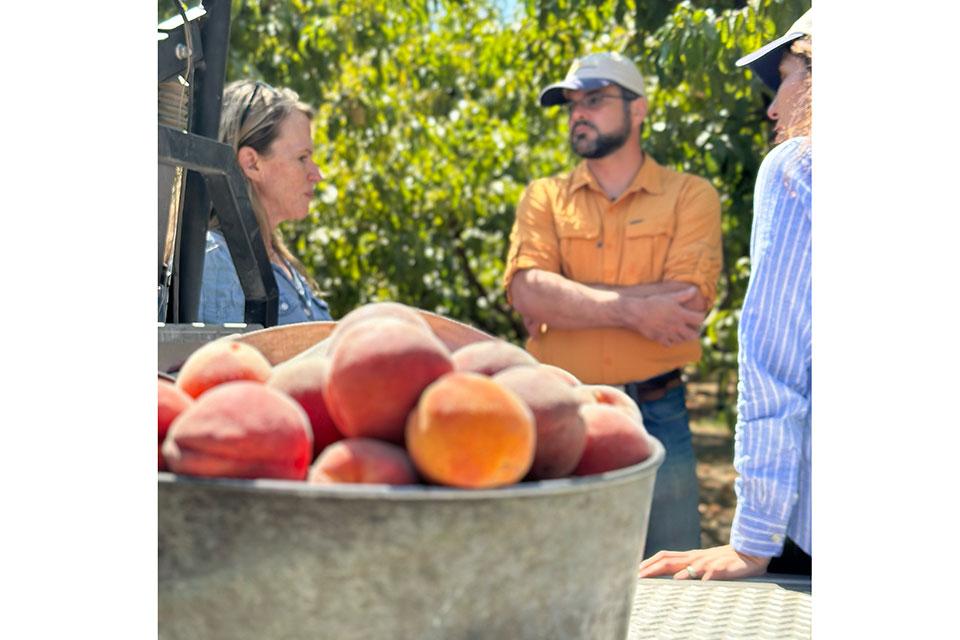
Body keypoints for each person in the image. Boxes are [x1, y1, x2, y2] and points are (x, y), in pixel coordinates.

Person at [502, 52, 723, 556]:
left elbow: (687, 301)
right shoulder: (544, 197)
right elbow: (527, 291)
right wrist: (637, 308)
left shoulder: (691, 196)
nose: (579, 113)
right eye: (572, 104)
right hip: (560, 412)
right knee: (554, 565)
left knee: (672, 575)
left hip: (657, 413)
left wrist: (566, 298)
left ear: (638, 109)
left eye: (596, 100)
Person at [638, 8, 813, 580]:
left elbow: (775, 362)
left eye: (785, 75)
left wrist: (753, 540)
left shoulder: (800, 166)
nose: (771, 106)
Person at [198, 79, 332, 325]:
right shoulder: (217, 261)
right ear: (252, 163)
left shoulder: (282, 261)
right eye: (303, 158)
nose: (317, 174)